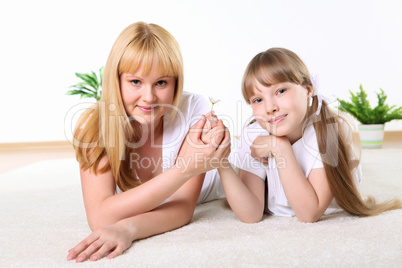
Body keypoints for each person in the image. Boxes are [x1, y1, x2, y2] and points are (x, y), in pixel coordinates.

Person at [67, 22, 229, 262]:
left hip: (219, 187)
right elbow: (100, 217)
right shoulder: (94, 126)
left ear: (175, 82)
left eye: (161, 83)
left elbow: (183, 207)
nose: (149, 97)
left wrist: (128, 228)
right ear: (117, 80)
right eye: (135, 82)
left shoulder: (196, 109)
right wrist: (184, 169)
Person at [214, 47, 401, 223]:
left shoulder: (328, 132)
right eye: (258, 99)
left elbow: (308, 213)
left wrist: (281, 148)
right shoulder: (254, 131)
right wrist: (221, 162)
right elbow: (251, 214)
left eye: (280, 91)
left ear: (308, 90)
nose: (270, 107)